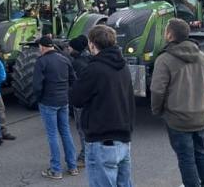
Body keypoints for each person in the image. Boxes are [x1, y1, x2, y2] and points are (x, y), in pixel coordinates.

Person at [150, 19, 204, 187]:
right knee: (201, 153)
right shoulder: (203, 56)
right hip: (200, 115)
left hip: (177, 118)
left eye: (166, 31)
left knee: (186, 159)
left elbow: (157, 90)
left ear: (170, 35)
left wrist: (157, 110)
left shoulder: (164, 59)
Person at [70, 25, 135, 187]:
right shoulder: (123, 66)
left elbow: (75, 98)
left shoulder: (94, 69)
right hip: (124, 139)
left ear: (92, 44)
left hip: (102, 141)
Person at [33, 36, 78, 180]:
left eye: (39, 46)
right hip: (63, 101)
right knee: (65, 132)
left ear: (42, 47)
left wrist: (39, 99)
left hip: (48, 102)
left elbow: (37, 86)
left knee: (52, 135)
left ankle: (56, 169)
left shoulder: (41, 62)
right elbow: (73, 80)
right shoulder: (64, 59)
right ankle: (73, 166)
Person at [68, 35, 91, 165]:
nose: (68, 49)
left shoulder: (77, 64)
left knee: (82, 129)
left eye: (70, 47)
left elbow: (76, 84)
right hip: (90, 100)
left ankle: (85, 156)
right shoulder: (89, 58)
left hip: (81, 102)